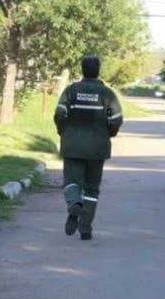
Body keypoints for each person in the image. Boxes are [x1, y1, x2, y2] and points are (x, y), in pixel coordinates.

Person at [54, 56, 123, 240]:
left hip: (72, 145)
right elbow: (116, 119)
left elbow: (60, 114)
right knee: (92, 189)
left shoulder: (71, 90)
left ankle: (74, 203)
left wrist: (63, 132)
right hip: (97, 148)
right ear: (98, 70)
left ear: (82, 70)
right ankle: (85, 228)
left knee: (71, 181)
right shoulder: (107, 94)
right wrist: (108, 133)